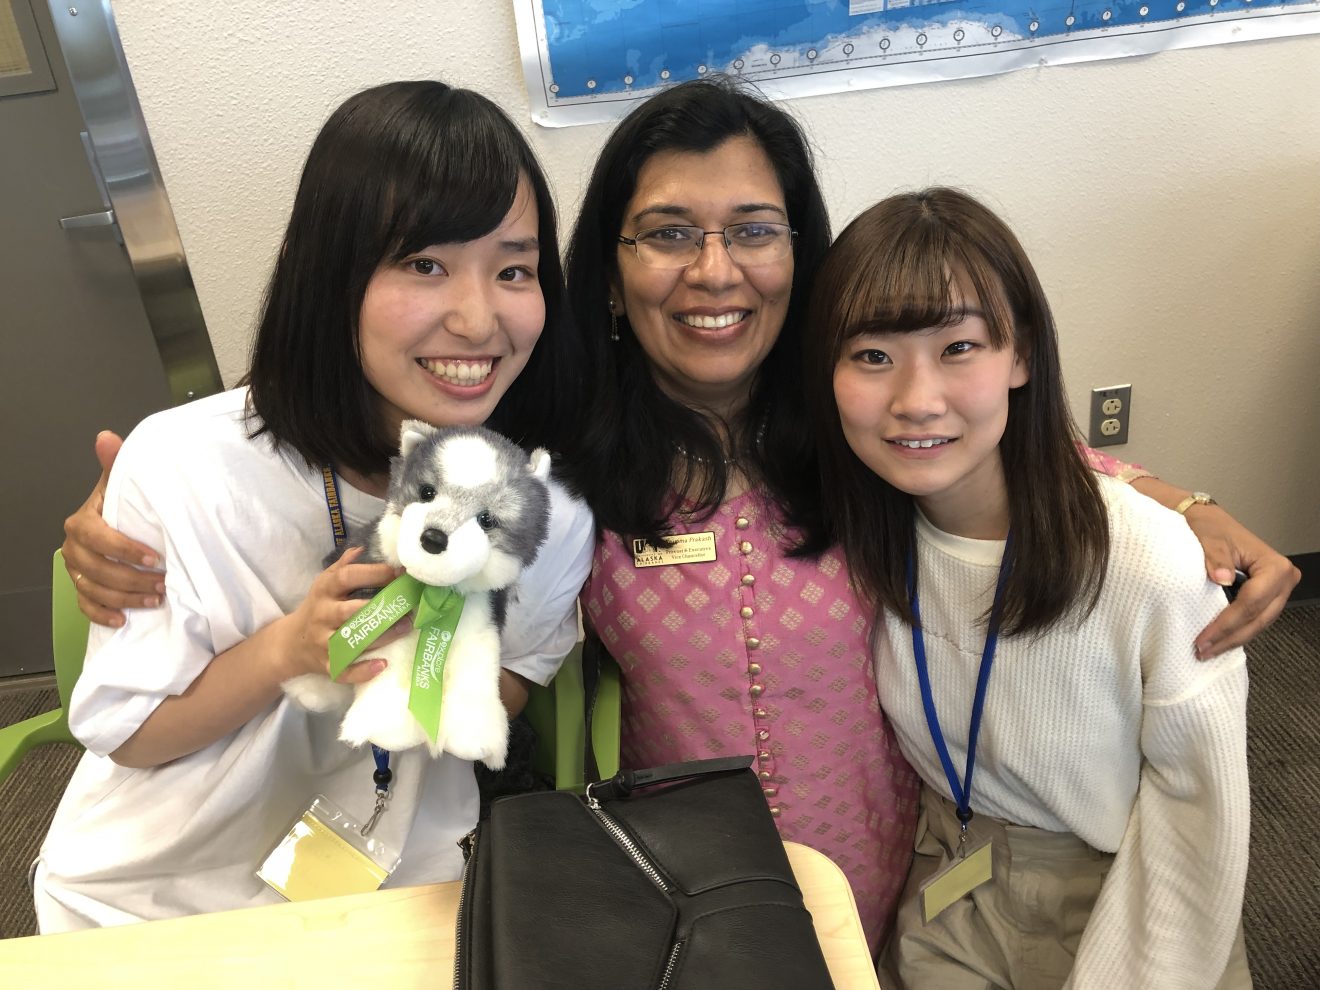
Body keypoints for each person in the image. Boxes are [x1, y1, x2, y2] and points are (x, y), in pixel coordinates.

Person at [61, 78, 1297, 952]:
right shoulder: (556, 456)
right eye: (666, 235)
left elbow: (983, 437)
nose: (715, 272)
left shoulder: (859, 421)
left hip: (885, 855)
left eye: (754, 232)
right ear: (604, 270)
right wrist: (117, 526)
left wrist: (1178, 500)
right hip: (677, 875)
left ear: (800, 254)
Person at [34, 81, 595, 931]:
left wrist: (443, 645)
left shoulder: (544, 511)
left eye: (514, 269)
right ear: (332, 275)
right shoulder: (187, 464)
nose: (481, 318)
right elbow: (132, 735)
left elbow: (498, 698)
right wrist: (292, 647)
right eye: (425, 264)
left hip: (388, 884)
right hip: (148, 899)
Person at [805, 187, 1250, 987]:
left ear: (1022, 356)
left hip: (1122, 892)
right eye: (873, 355)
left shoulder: (1149, 564)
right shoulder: (868, 535)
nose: (915, 400)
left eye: (959, 348)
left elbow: (1198, 827)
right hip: (949, 870)